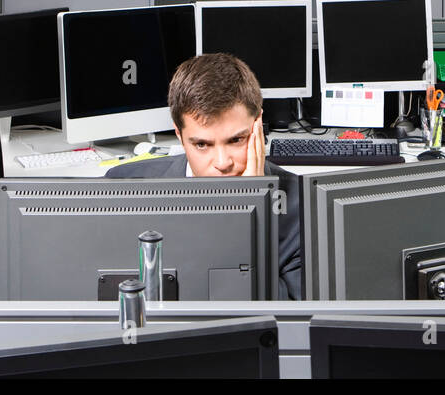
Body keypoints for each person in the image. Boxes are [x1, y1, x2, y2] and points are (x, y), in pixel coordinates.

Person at [106, 52, 303, 299]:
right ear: (179, 135)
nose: (222, 163)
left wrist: (248, 213)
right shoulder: (123, 189)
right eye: (202, 144)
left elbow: (287, 322)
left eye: (236, 140)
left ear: (258, 124)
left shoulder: (302, 208)